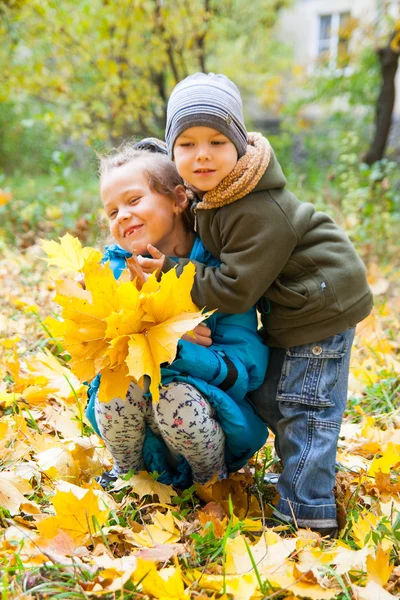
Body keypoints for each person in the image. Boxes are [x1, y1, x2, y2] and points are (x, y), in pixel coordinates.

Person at [135, 73, 373, 536]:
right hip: (293, 307)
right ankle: (304, 474)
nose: (202, 154)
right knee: (271, 394)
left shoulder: (256, 208)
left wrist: (170, 271)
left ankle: (308, 509)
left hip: (322, 304)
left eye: (217, 140)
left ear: (240, 145)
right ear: (171, 154)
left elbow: (236, 288)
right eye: (186, 144)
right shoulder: (218, 194)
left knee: (307, 406)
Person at [85, 146, 269, 489]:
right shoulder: (112, 274)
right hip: (137, 423)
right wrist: (148, 332)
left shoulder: (217, 274)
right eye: (112, 211)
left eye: (134, 200)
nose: (122, 216)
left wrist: (179, 351)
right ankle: (130, 475)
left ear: (178, 199)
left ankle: (209, 483)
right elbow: (94, 360)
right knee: (117, 388)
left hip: (205, 415)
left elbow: (244, 370)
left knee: (174, 396)